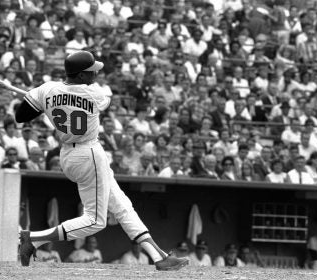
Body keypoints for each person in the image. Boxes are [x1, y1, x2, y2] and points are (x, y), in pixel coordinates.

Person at [14, 51, 188, 271]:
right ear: (80, 75)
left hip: (68, 154)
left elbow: (22, 116)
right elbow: (104, 100)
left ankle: (159, 256)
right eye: (91, 71)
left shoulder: (47, 89)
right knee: (95, 221)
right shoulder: (95, 94)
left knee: (123, 206)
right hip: (89, 154)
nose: (95, 74)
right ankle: (33, 238)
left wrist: (41, 100)